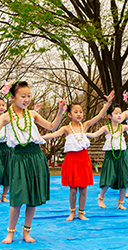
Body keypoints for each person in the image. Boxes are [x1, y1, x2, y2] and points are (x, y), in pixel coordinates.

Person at [0, 80, 66, 244]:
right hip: (18, 157)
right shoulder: (5, 117)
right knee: (17, 198)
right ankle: (11, 232)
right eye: (23, 96)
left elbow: (52, 127)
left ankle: (26, 231)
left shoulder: (32, 114)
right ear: (13, 97)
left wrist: (60, 112)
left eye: (29, 96)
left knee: (32, 198)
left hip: (35, 156)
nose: (27, 99)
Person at [41, 91, 114, 221]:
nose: (79, 114)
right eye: (76, 112)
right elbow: (52, 135)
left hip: (83, 159)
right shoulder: (66, 128)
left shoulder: (85, 125)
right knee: (73, 189)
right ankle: (72, 211)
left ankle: (81, 212)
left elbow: (99, 116)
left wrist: (107, 103)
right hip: (72, 160)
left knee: (84, 189)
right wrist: (38, 138)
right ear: (69, 114)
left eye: (80, 111)